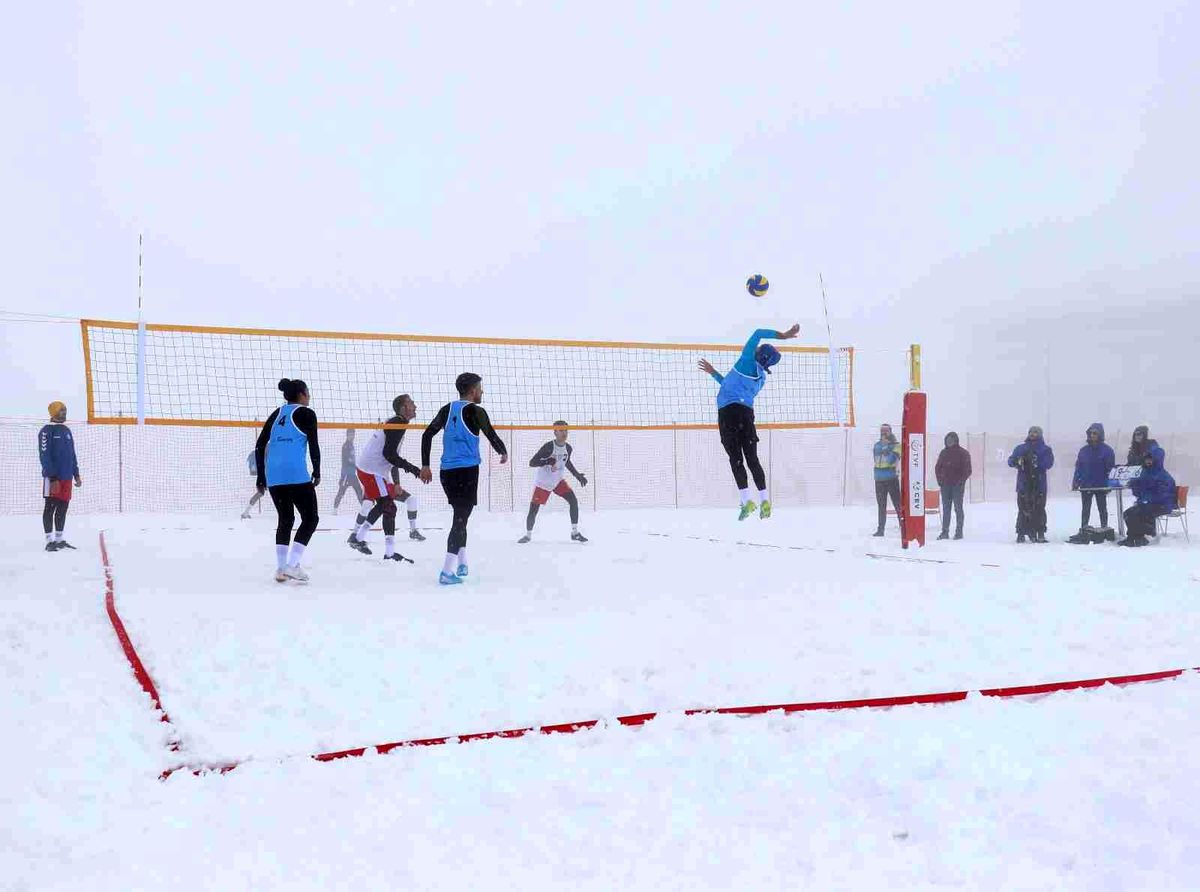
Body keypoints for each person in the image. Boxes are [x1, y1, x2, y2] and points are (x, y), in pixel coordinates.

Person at [697, 323, 800, 520]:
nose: (756, 348)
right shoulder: (761, 377)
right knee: (752, 459)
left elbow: (758, 333)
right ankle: (765, 501)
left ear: (759, 353)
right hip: (746, 415)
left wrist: (784, 335)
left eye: (759, 348)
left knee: (736, 459)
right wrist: (713, 373)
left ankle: (746, 502)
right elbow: (731, 387)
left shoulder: (746, 360)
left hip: (729, 414)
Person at [420, 373, 508, 585]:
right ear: (472, 390)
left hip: (446, 472)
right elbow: (491, 435)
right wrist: (503, 452)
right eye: (480, 388)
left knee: (461, 516)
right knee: (460, 518)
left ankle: (462, 562)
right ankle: (447, 571)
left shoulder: (446, 409)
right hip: (466, 471)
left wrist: (425, 465)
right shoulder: (476, 411)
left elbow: (426, 435)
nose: (482, 392)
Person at [255, 379, 321, 583]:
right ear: (301, 394)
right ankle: (293, 565)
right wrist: (317, 470)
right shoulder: (306, 413)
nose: (309, 396)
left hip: (274, 475)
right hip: (295, 473)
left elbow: (259, 445)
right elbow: (313, 445)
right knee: (310, 519)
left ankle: (281, 569)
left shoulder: (277, 414)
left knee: (286, 519)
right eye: (308, 392)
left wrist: (261, 475)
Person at [348, 394, 424, 560]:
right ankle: (385, 552)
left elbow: (392, 457)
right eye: (412, 403)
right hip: (371, 470)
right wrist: (415, 470)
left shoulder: (398, 422)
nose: (415, 406)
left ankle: (359, 539)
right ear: (403, 408)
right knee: (388, 507)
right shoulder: (398, 423)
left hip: (373, 470)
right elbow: (389, 455)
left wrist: (397, 482)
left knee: (385, 505)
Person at [518, 421, 589, 544]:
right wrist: (547, 461)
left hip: (557, 481)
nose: (564, 433)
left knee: (573, 500)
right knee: (533, 510)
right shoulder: (549, 447)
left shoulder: (568, 448)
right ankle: (528, 535)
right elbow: (532, 462)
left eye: (566, 430)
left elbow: (566, 462)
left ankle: (575, 533)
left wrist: (577, 475)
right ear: (555, 432)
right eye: (561, 430)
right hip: (543, 483)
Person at [39, 401, 82, 552]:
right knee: (50, 508)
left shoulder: (66, 430)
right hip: (53, 478)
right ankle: (49, 541)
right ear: (54, 413)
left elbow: (72, 454)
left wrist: (76, 474)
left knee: (63, 508)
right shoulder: (46, 431)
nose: (64, 413)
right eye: (61, 411)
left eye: (65, 411)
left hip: (66, 478)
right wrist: (52, 478)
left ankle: (59, 539)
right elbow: (44, 456)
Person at [1120, 449, 1177, 547]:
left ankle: (1148, 531)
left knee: (1134, 515)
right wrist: (1135, 485)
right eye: (1146, 459)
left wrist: (1147, 500)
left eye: (1150, 459)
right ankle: (1136, 538)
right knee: (1127, 513)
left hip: (1162, 505)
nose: (1148, 461)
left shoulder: (1163, 475)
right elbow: (1140, 493)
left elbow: (1164, 495)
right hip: (1148, 503)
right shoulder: (1145, 473)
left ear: (1157, 460)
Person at [1007, 426, 1054, 543]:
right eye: (1031, 432)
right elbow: (1011, 461)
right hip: (1023, 484)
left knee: (1039, 508)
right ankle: (1021, 533)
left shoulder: (1045, 449)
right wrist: (1018, 461)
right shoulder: (1020, 448)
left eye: (1035, 432)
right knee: (1023, 508)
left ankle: (1040, 532)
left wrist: (1036, 463)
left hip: (1039, 484)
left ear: (1040, 434)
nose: (1033, 434)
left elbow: (1049, 463)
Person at [1070, 423, 1116, 539]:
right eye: (1090, 433)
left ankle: (1105, 528)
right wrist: (1076, 481)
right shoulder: (1083, 451)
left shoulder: (1107, 451)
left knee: (1102, 508)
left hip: (1101, 485)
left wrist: (1109, 484)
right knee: (1085, 508)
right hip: (1086, 485)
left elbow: (1110, 469)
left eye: (1095, 433)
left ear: (1100, 434)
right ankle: (1084, 529)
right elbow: (1078, 467)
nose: (1092, 435)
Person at [933, 431, 971, 540]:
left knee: (958, 508)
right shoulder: (943, 453)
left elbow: (968, 470)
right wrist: (940, 481)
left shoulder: (963, 453)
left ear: (956, 441)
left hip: (957, 486)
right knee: (946, 509)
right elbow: (937, 468)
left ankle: (959, 532)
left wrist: (960, 481)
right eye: (947, 440)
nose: (949, 442)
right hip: (945, 485)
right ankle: (945, 532)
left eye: (951, 440)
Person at [872, 423, 902, 537]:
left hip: (891, 478)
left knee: (897, 504)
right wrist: (885, 448)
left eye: (886, 431)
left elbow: (890, 460)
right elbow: (876, 458)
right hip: (879, 479)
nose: (883, 433)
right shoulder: (876, 445)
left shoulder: (897, 446)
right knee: (881, 505)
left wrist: (886, 447)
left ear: (891, 432)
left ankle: (902, 525)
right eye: (882, 431)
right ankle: (880, 530)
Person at [332, 429, 364, 513]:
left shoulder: (351, 445)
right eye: (350, 434)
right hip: (346, 474)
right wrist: (355, 466)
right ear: (347, 435)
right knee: (341, 491)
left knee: (359, 491)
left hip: (352, 474)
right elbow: (347, 460)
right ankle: (334, 509)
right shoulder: (345, 446)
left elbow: (352, 459)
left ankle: (364, 509)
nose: (352, 436)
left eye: (353, 434)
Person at [241, 449, 265, 518]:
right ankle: (246, 512)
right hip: (265, 475)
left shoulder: (264, 449)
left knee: (260, 493)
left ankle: (246, 512)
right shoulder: (268, 450)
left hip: (263, 475)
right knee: (261, 493)